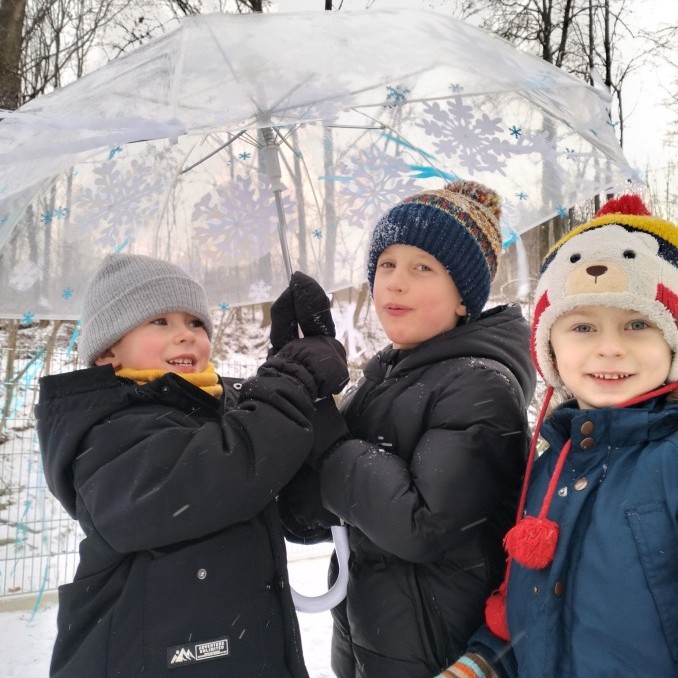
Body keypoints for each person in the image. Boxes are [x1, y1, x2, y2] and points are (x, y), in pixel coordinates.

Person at [35, 253, 349, 678]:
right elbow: (223, 473)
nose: (185, 335)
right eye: (160, 321)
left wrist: (311, 393)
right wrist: (292, 376)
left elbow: (299, 508)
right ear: (109, 350)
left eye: (196, 322)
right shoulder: (105, 429)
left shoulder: (230, 413)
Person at [280, 180, 537, 678]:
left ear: (463, 298)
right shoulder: (383, 377)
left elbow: (420, 526)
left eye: (422, 268)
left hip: (441, 653)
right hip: (368, 638)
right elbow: (316, 516)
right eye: (387, 265)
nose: (396, 283)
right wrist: (295, 384)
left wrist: (327, 437)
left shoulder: (480, 386)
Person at [439, 194, 678, 678]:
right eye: (583, 326)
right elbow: (530, 614)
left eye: (637, 324)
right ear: (550, 347)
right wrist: (482, 663)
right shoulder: (551, 466)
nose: (609, 348)